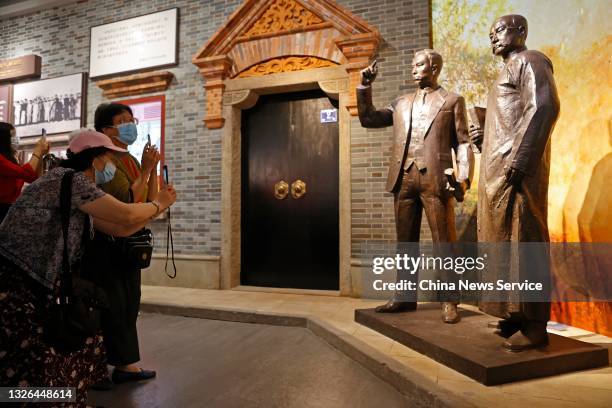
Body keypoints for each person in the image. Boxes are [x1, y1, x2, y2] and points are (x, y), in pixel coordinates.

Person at [0, 129, 177, 407]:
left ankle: (66, 400)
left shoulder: (75, 186)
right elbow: (127, 213)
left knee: (68, 351)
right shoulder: (68, 180)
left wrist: (154, 209)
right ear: (95, 158)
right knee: (32, 359)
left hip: (41, 281)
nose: (113, 165)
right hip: (20, 280)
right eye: (110, 158)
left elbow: (120, 229)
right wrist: (158, 204)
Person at [357, 50, 474, 323]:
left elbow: (465, 143)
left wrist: (463, 177)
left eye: (419, 64)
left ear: (433, 67)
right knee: (405, 243)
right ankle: (404, 296)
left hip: (437, 179)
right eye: (412, 65)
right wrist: (365, 86)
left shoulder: (452, 101)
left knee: (444, 242)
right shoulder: (401, 102)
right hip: (403, 178)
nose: (413, 69)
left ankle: (450, 300)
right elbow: (369, 118)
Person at [470, 15, 560, 351]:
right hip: (499, 171)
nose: (494, 36)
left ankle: (536, 325)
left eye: (501, 30)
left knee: (527, 240)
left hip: (518, 170)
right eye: (490, 32)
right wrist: (482, 135)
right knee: (504, 241)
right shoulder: (504, 72)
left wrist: (521, 160)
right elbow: (506, 123)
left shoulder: (531, 60)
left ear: (521, 32)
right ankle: (515, 313)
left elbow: (545, 107)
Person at [88, 102, 161, 387]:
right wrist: (145, 173)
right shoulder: (106, 160)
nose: (131, 125)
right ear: (106, 129)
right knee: (112, 304)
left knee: (129, 302)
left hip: (131, 239)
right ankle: (99, 366)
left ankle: (125, 364)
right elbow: (127, 201)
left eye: (132, 119)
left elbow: (149, 198)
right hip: (108, 242)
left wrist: (150, 170)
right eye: (123, 120)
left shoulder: (129, 158)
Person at [0, 122, 49, 222]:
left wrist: (40, 155)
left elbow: (34, 179)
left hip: (10, 210)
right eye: (13, 136)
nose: (16, 139)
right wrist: (37, 151)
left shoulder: (11, 159)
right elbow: (27, 173)